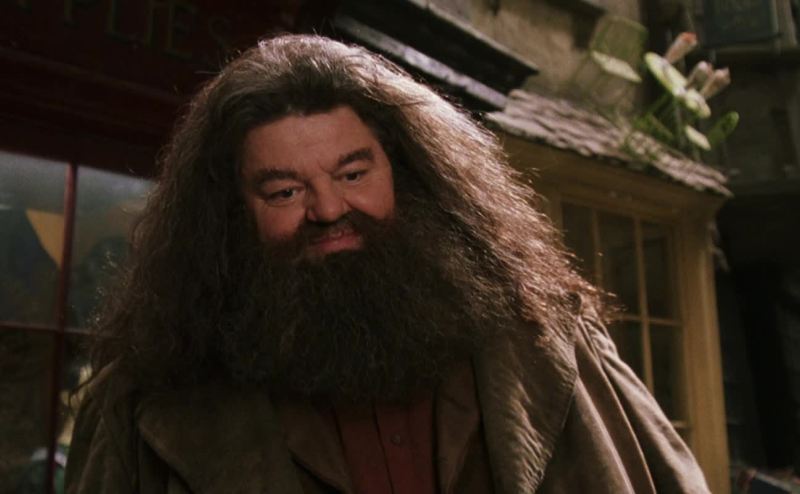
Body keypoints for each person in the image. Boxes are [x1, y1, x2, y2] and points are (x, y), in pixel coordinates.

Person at [65, 34, 710, 493]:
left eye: (353, 173)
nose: (327, 209)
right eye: (284, 191)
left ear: (405, 174)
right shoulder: (142, 407)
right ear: (233, 214)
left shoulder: (554, 344)